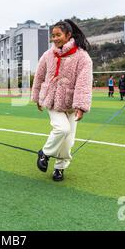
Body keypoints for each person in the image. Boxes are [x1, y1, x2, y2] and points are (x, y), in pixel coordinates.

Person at [31, 19, 93, 182]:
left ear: (68, 35)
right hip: (52, 99)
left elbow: (84, 82)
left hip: (71, 103)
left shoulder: (82, 57)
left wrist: (80, 105)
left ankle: (59, 168)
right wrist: (37, 96)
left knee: (69, 141)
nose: (55, 38)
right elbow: (39, 76)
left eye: (58, 35)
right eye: (53, 36)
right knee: (62, 129)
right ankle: (44, 153)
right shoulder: (48, 55)